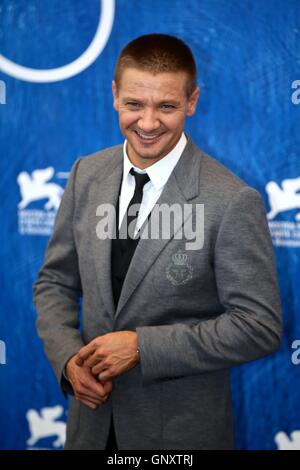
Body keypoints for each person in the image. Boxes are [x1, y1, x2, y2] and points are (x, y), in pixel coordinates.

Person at [33, 34, 282, 450]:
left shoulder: (232, 199)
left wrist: (143, 348)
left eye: (166, 106)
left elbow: (259, 326)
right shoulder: (85, 174)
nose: (147, 124)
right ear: (115, 95)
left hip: (179, 437)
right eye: (134, 104)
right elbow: (55, 283)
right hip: (89, 429)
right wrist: (68, 361)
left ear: (192, 102)